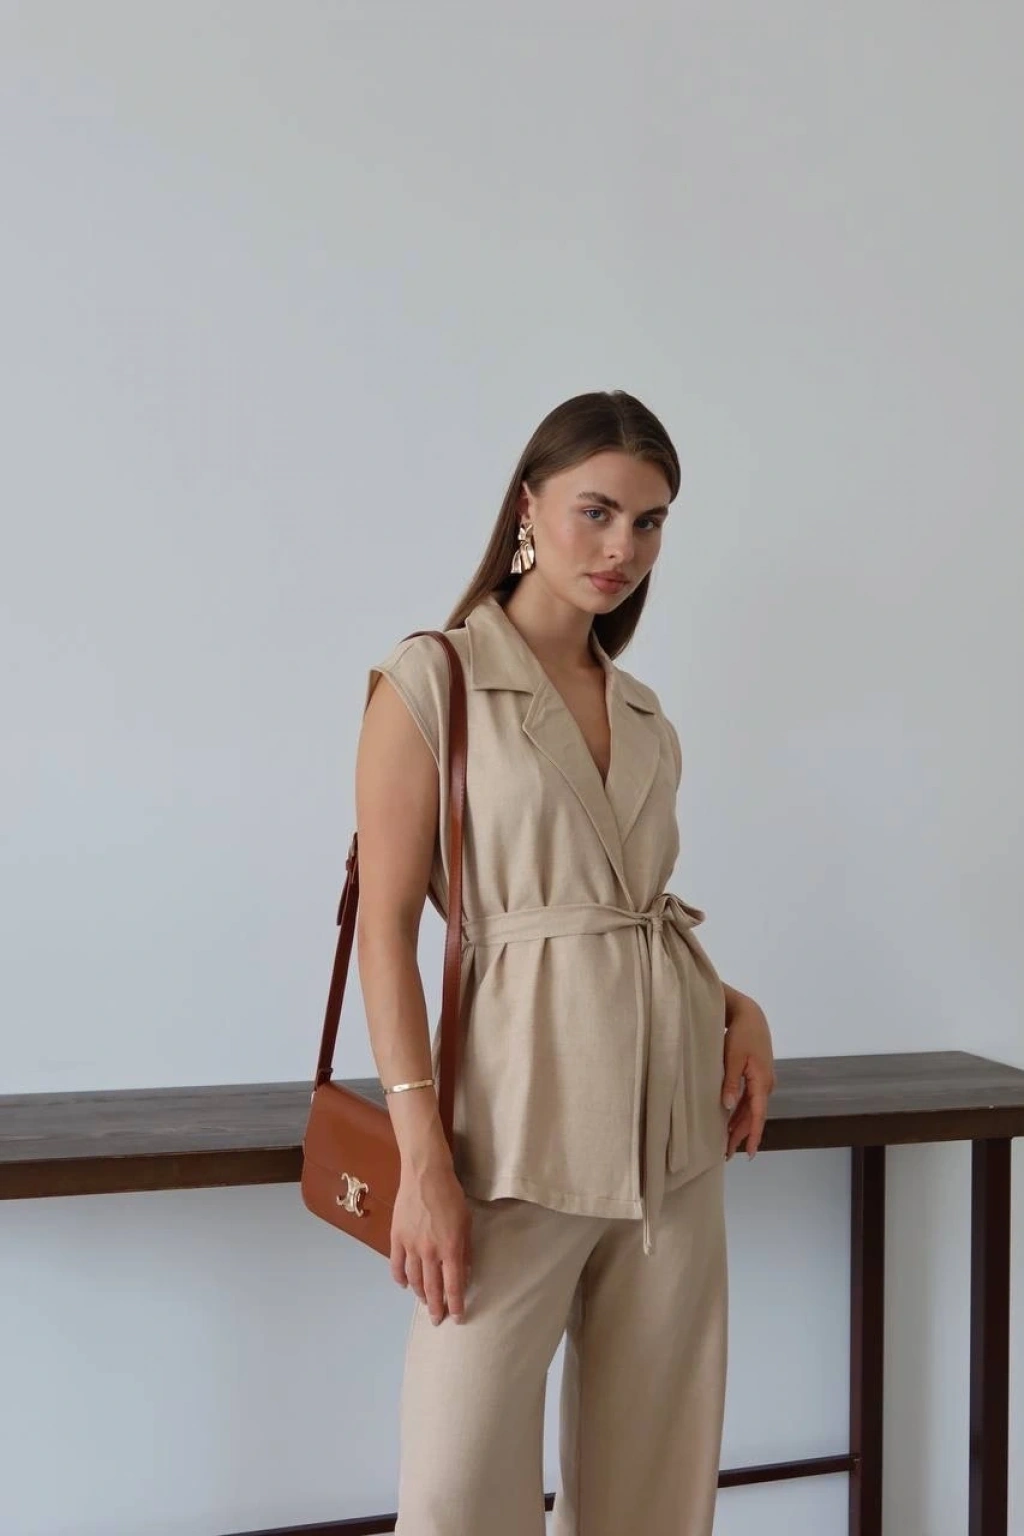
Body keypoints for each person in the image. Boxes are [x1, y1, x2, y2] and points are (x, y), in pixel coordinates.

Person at [355, 390, 776, 1536]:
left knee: (655, 1494)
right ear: (528, 507)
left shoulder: (643, 714)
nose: (620, 548)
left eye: (648, 522)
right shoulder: (431, 680)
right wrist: (420, 1160)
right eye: (596, 511)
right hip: (509, 1142)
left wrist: (733, 1006)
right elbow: (386, 931)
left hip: (673, 1141)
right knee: (455, 1495)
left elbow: (622, 918)